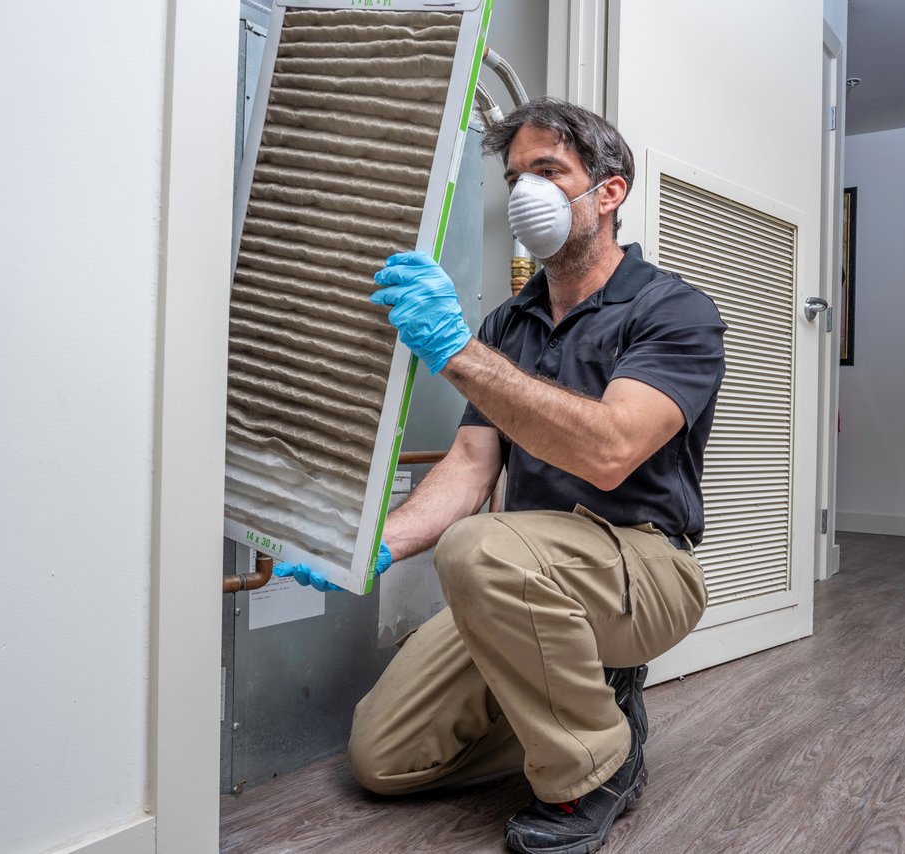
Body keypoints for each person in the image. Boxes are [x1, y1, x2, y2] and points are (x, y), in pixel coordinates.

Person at [288, 97, 725, 853]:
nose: (527, 192)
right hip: (527, 572)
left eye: (549, 171)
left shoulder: (673, 311)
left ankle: (593, 770)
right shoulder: (508, 326)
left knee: (476, 547)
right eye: (516, 174)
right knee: (383, 757)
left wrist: (457, 352)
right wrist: (373, 543)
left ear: (610, 191)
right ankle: (594, 712)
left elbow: (613, 447)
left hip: (646, 565)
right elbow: (468, 464)